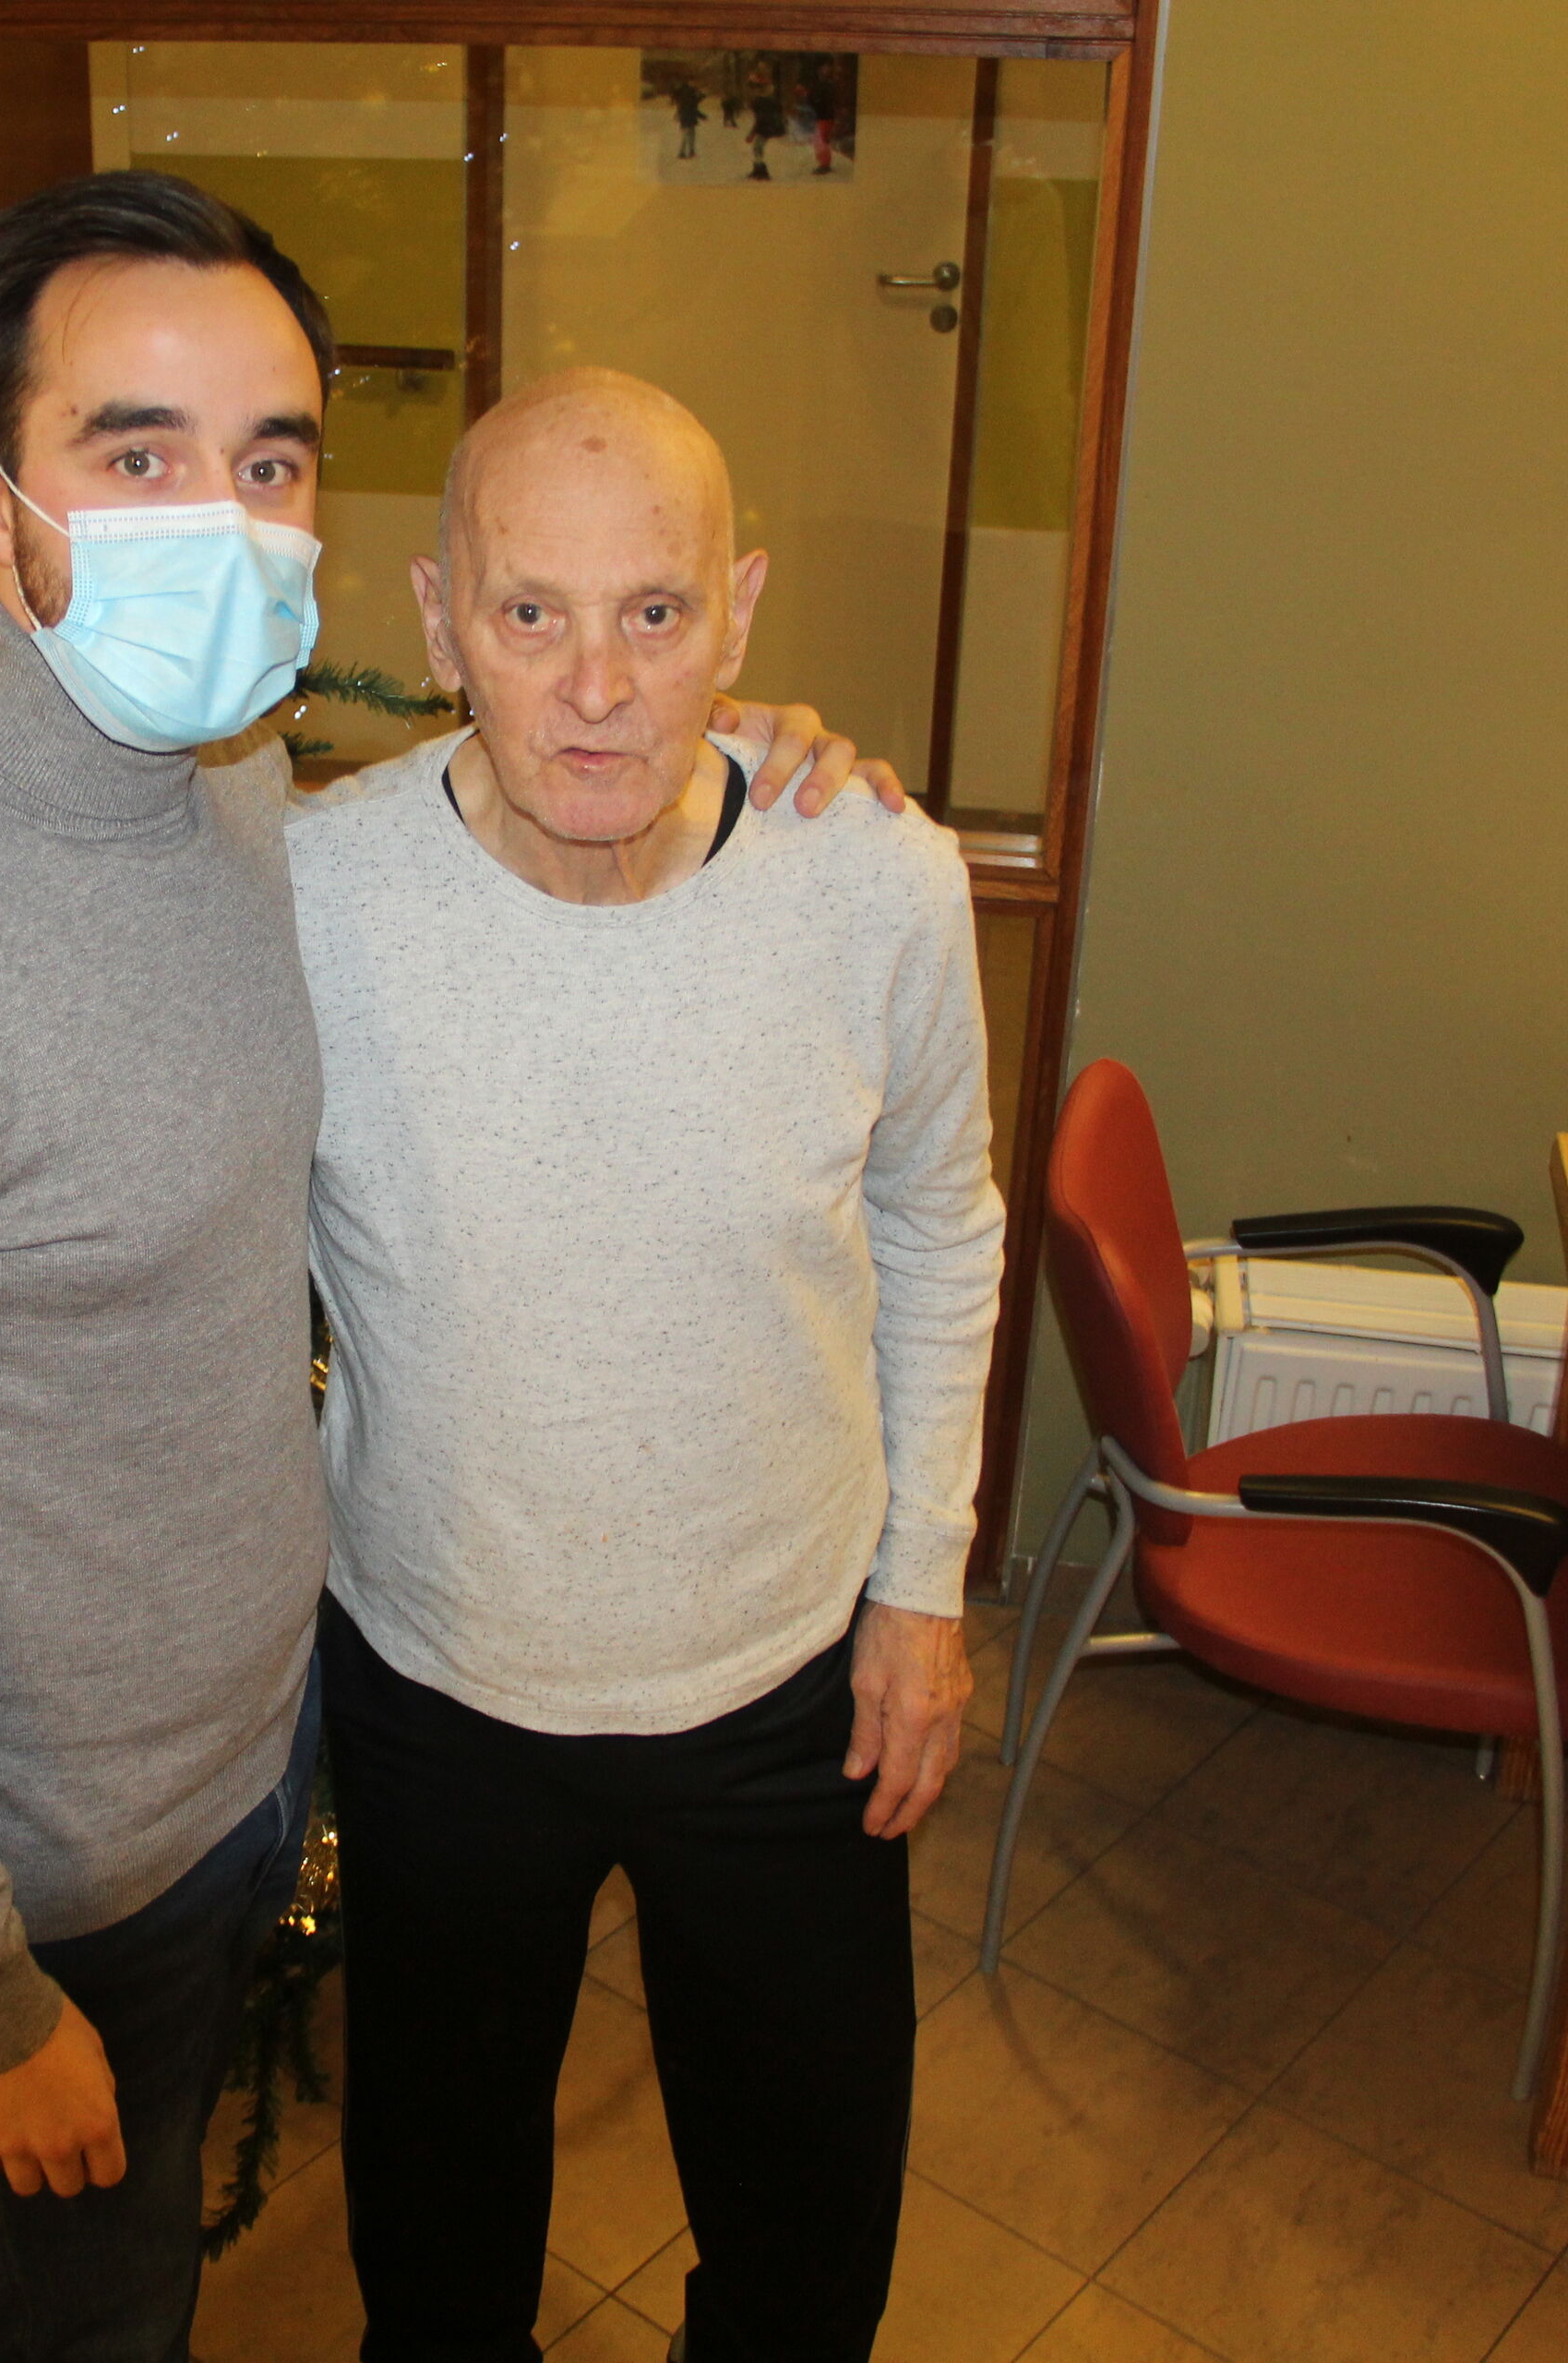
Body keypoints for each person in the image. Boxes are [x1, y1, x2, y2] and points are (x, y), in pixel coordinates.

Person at [0, 174, 890, 2361]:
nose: (218, 527)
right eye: (136, 455)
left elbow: (515, 803)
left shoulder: (222, 782)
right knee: (101, 2320)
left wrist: (727, 742)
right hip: (53, 1877)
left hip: (268, 1747)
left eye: (271, 460)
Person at [291, 367, 1001, 2361]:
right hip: (438, 1685)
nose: (597, 686)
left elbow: (944, 1221)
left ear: (740, 612)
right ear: (439, 621)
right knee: (436, 2269)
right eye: (531, 613)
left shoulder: (880, 879)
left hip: (791, 1684)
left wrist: (924, 1587)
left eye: (656, 614)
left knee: (807, 2259)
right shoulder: (309, 899)